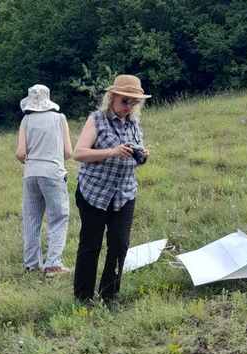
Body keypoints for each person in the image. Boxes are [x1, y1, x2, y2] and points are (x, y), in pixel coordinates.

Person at [72, 74, 151, 303]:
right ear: (112, 97)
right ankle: (83, 298)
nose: (129, 107)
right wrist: (112, 152)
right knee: (91, 245)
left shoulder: (134, 123)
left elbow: (137, 156)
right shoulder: (97, 119)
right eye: (125, 101)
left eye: (134, 102)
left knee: (119, 245)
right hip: (94, 193)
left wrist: (142, 156)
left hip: (124, 193)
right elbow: (79, 153)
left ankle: (109, 295)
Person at [16, 84, 73, 276]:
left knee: (32, 219)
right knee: (58, 218)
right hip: (53, 172)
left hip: (30, 173)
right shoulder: (59, 118)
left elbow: (20, 153)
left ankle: (31, 265)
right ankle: (53, 265)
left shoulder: (26, 120)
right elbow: (68, 152)